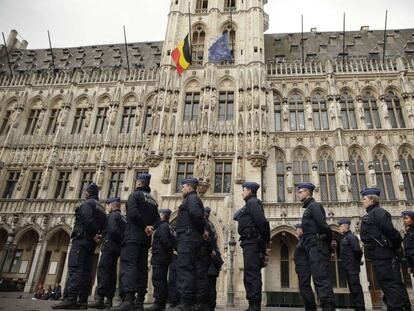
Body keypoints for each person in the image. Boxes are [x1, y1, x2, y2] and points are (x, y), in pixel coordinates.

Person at [53, 183, 107, 310]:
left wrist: (94, 234)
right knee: (86, 271)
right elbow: (105, 225)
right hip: (91, 243)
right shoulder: (101, 207)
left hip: (82, 239)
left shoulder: (86, 204)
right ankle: (82, 301)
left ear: (87, 193)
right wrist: (99, 235)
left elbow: (88, 219)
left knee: (75, 268)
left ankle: (71, 299)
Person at [112, 173, 160, 311]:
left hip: (133, 235)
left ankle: (128, 299)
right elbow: (157, 220)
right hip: (145, 239)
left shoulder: (135, 196)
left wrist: (144, 225)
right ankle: (140, 301)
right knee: (141, 267)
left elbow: (132, 213)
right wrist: (151, 227)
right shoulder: (152, 200)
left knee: (129, 265)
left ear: (139, 183)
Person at [359, 188, 411, 311]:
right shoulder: (371, 215)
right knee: (388, 285)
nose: (362, 202)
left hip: (384, 256)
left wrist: (395, 245)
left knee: (390, 285)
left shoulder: (379, 213)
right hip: (379, 255)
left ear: (372, 199)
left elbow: (392, 233)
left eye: (364, 199)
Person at [297, 182, 335, 311]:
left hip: (317, 246)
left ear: (307, 192)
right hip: (311, 246)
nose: (298, 194)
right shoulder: (308, 208)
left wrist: (328, 242)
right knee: (317, 279)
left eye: (300, 191)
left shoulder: (314, 206)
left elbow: (323, 226)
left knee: (321, 280)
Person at [234, 181, 270, 311]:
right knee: (249, 273)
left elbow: (262, 222)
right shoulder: (248, 204)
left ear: (250, 190)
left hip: (253, 242)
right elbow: (235, 216)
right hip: (248, 242)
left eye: (244, 190)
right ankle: (252, 305)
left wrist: (265, 242)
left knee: (252, 274)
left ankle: (254, 306)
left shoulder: (253, 203)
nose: (242, 192)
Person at [175, 178, 208, 311]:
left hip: (188, 238)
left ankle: (186, 303)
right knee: (189, 269)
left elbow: (196, 215)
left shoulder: (192, 199)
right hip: (190, 237)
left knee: (185, 269)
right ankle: (189, 302)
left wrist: (201, 230)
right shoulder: (192, 199)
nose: (181, 189)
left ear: (189, 187)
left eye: (183, 186)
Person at [90, 197, 126, 309]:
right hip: (117, 247)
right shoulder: (123, 217)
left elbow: (113, 230)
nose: (107, 208)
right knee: (112, 272)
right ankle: (109, 300)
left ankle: (100, 298)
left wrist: (104, 238)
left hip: (109, 246)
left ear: (112, 206)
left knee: (103, 270)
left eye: (108, 206)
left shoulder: (112, 216)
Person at [146, 209, 176, 311]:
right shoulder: (169, 227)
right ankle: (161, 303)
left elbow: (164, 240)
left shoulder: (163, 227)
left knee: (158, 279)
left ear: (163, 216)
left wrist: (170, 248)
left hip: (160, 256)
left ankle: (158, 303)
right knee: (162, 279)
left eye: (159, 215)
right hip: (165, 257)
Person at [337, 219, 365, 311]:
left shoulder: (351, 237)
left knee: (355, 287)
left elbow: (357, 250)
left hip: (352, 266)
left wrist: (355, 261)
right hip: (347, 267)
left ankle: (360, 308)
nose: (339, 228)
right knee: (352, 288)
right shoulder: (345, 237)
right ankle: (357, 307)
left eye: (340, 226)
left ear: (346, 226)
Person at [293, 224, 316, 311]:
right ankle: (308, 307)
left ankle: (311, 308)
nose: (296, 231)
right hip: (301, 268)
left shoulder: (305, 240)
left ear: (302, 230)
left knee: (305, 288)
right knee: (303, 288)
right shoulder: (301, 240)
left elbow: (308, 253)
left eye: (297, 229)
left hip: (304, 268)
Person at [204, 207, 222, 311]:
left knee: (208, 287)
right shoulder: (211, 226)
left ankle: (209, 306)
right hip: (213, 266)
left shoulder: (206, 225)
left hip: (209, 266)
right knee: (212, 287)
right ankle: (211, 306)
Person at [402, 210, 414, 276]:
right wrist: (410, 265)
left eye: (406, 218)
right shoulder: (409, 231)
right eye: (404, 218)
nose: (404, 220)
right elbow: (407, 249)